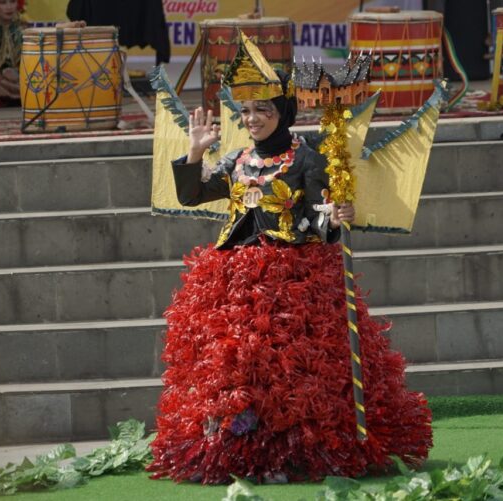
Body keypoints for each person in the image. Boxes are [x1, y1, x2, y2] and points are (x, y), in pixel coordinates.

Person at [146, 38, 432, 484]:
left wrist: (338, 216)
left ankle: (297, 452)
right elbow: (192, 194)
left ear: (284, 112)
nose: (253, 119)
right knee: (238, 368)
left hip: (294, 287)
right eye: (246, 111)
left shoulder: (306, 159)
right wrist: (197, 150)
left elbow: (322, 223)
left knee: (293, 375)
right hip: (234, 287)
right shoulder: (237, 160)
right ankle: (238, 449)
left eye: (264, 109)